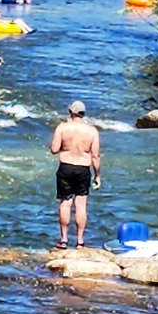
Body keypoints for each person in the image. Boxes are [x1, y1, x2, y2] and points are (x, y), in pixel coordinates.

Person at [49, 100, 101, 249]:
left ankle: (63, 239)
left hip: (65, 167)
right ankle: (80, 241)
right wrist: (97, 175)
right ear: (84, 114)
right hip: (83, 169)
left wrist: (66, 146)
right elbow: (95, 156)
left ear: (70, 112)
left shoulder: (62, 128)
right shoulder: (92, 131)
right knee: (81, 205)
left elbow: (54, 149)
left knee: (65, 203)